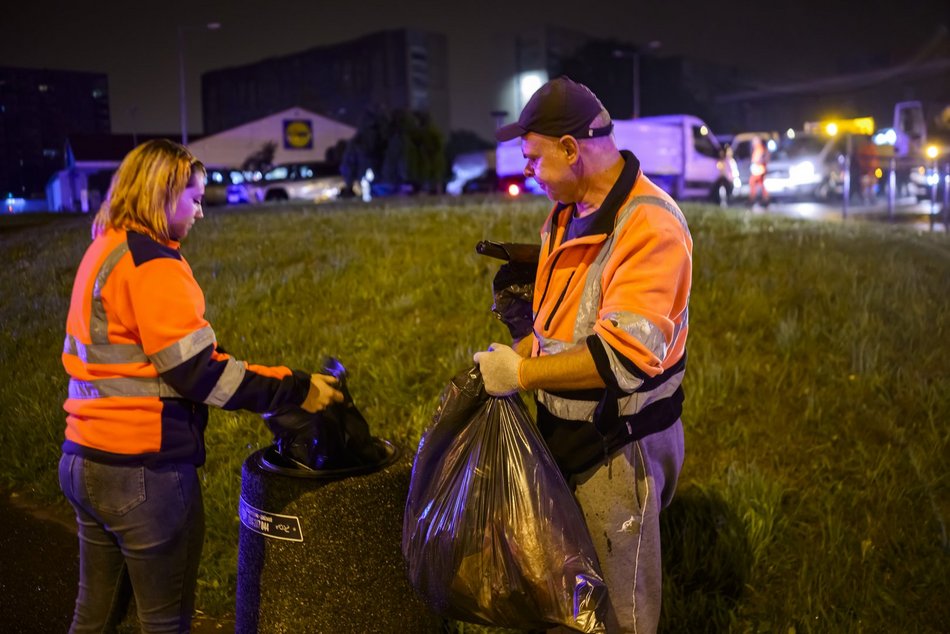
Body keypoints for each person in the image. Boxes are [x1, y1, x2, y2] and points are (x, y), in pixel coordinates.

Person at [58, 138, 344, 633]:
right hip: (144, 472)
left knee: (93, 617)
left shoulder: (103, 249)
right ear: (161, 195)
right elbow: (198, 374)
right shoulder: (154, 265)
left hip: (84, 460)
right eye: (193, 198)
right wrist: (296, 389)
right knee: (165, 623)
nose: (200, 212)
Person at [473, 76, 691, 633]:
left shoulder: (650, 226)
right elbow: (555, 324)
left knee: (621, 610)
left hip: (619, 445)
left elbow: (623, 360)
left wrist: (520, 374)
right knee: (569, 595)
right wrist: (517, 352)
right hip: (567, 435)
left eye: (533, 158)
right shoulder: (565, 215)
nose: (528, 171)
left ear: (571, 149)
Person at [748, 135, 770, 208]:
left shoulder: (759, 148)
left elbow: (758, 159)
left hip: (759, 170)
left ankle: (752, 200)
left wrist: (755, 164)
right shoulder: (759, 148)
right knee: (761, 185)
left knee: (752, 182)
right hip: (759, 169)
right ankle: (764, 199)